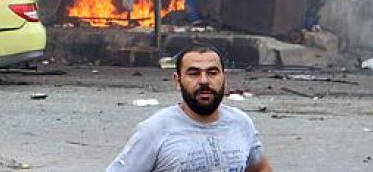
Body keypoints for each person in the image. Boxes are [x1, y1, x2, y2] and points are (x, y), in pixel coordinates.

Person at [107, 43, 272, 172]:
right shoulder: (154, 130)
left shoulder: (241, 123)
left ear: (224, 78)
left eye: (212, 73)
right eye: (194, 73)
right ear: (177, 81)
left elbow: (260, 168)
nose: (204, 81)